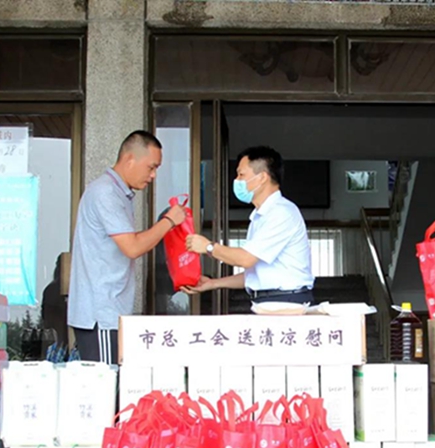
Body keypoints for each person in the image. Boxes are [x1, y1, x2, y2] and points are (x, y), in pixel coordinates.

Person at [68, 130, 186, 364]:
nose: (153, 176)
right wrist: (169, 221)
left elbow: (130, 241)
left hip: (109, 312)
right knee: (107, 380)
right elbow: (132, 247)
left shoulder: (118, 193)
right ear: (129, 159)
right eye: (151, 167)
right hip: (101, 315)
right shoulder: (105, 193)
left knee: (113, 380)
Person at [183, 146, 314, 305]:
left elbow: (246, 259)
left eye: (241, 174)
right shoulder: (261, 215)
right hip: (272, 300)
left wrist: (208, 247)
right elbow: (255, 275)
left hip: (285, 301)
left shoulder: (280, 212)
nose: (237, 180)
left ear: (262, 177)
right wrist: (213, 283)